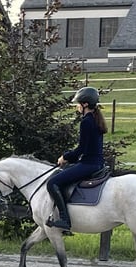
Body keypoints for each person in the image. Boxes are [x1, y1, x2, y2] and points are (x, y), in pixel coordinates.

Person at [46, 86, 108, 231]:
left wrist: (65, 157)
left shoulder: (86, 121)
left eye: (78, 103)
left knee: (53, 182)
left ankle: (64, 220)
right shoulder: (96, 119)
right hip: (97, 163)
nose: (77, 106)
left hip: (89, 164)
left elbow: (82, 149)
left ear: (85, 104)